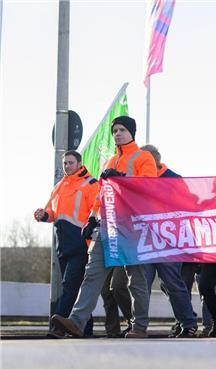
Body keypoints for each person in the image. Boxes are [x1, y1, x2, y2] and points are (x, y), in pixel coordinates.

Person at [50, 116, 158, 338]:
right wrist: (92, 217)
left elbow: (149, 187)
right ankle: (77, 322)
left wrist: (121, 178)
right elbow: (101, 195)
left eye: (121, 130)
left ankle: (140, 327)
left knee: (135, 278)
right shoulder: (109, 162)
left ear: (131, 132)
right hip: (106, 224)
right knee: (92, 274)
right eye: (115, 130)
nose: (117, 133)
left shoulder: (143, 157)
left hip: (131, 226)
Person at [34, 150, 99, 338]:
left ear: (79, 164)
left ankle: (59, 327)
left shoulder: (90, 184)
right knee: (75, 287)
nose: (67, 166)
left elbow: (97, 208)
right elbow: (53, 213)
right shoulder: (59, 186)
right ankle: (85, 329)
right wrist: (43, 215)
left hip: (82, 243)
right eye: (65, 163)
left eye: (70, 162)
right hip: (62, 244)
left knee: (69, 285)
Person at [139, 144, 198, 337]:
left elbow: (187, 205)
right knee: (141, 284)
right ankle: (137, 326)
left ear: (155, 159)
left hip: (168, 241)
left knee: (173, 283)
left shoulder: (173, 178)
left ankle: (188, 323)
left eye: (145, 159)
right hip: (144, 241)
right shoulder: (136, 179)